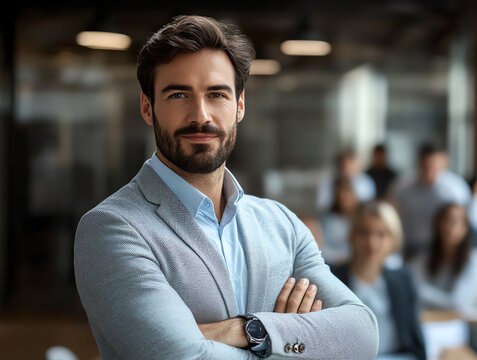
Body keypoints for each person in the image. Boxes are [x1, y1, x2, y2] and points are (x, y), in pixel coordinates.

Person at [74, 16, 378, 360]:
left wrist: (249, 330)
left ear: (240, 106)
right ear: (148, 107)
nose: (200, 115)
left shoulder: (282, 225)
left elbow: (362, 336)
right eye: (178, 94)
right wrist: (299, 344)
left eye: (216, 94)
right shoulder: (112, 228)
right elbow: (179, 357)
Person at [331, 201, 427, 360]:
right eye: (364, 233)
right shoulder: (333, 277)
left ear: (393, 240)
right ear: (352, 235)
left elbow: (415, 337)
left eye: (381, 235)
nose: (372, 243)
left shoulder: (404, 279)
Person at [394, 142, 470, 260]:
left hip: (442, 250)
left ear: (444, 163)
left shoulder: (456, 190)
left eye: (433, 166)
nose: (429, 172)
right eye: (425, 166)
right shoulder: (402, 187)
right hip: (410, 248)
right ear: (418, 163)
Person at [409, 203, 477, 313]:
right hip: (425, 321)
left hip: (454, 325)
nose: (451, 227)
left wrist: (420, 291)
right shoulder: (425, 257)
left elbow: (458, 303)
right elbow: (408, 284)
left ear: (466, 228)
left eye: (457, 222)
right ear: (438, 224)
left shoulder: (473, 263)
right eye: (447, 220)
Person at [320, 177, 359, 266]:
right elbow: (323, 247)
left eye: (347, 195)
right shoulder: (329, 220)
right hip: (336, 263)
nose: (344, 199)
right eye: (340, 196)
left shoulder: (363, 217)